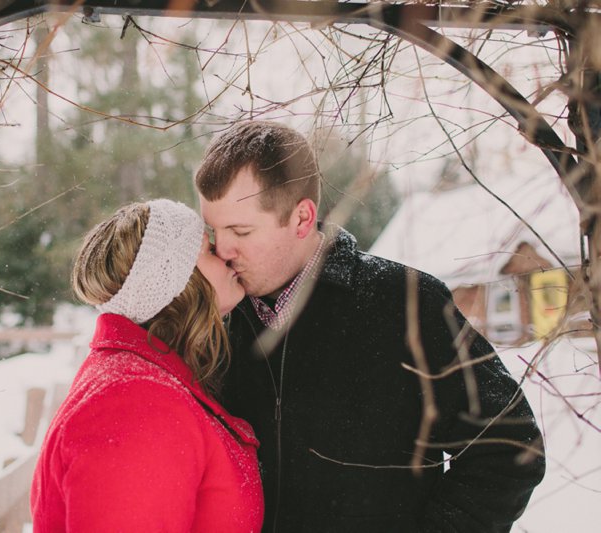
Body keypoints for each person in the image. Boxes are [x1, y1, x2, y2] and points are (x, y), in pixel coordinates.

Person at [195, 121, 546, 533]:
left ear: (302, 218)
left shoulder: (406, 304)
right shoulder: (214, 324)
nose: (222, 249)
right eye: (213, 230)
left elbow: (509, 447)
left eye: (240, 231)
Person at [30, 199, 264, 532]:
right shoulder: (136, 405)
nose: (226, 254)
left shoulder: (142, 382)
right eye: (209, 249)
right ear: (178, 281)